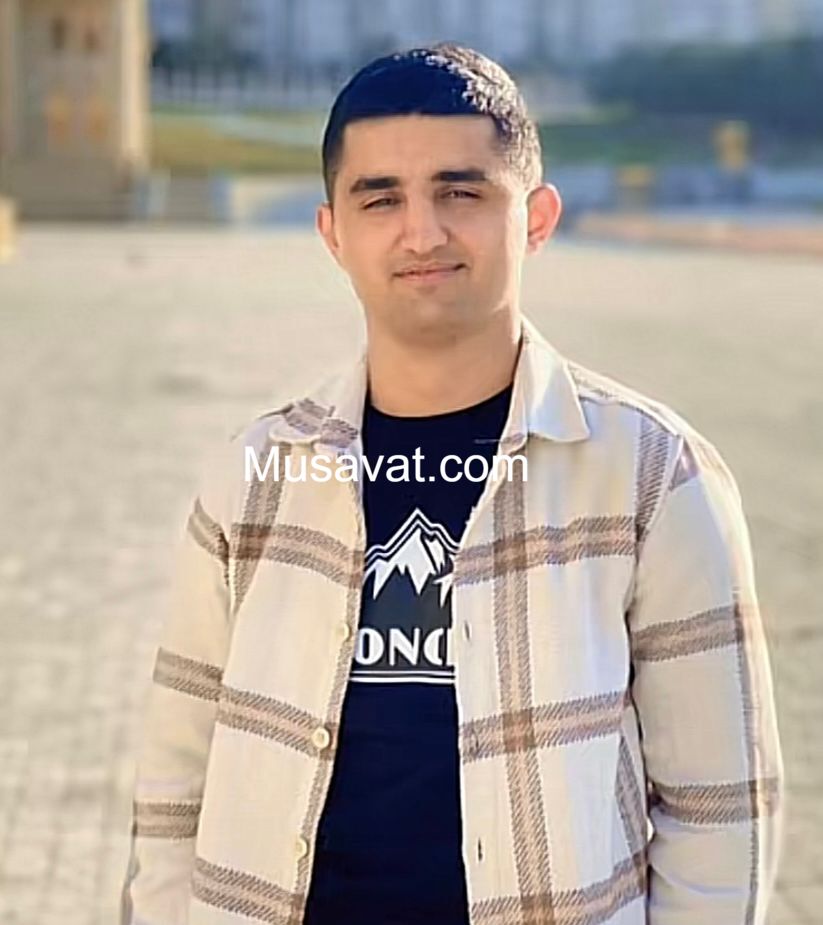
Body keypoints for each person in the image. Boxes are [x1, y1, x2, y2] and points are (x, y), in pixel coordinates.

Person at [120, 43, 784, 925]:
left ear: (535, 218)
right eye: (380, 198)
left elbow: (719, 811)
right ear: (332, 233)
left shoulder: (653, 476)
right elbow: (175, 790)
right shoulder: (254, 478)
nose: (422, 232)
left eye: (460, 193)